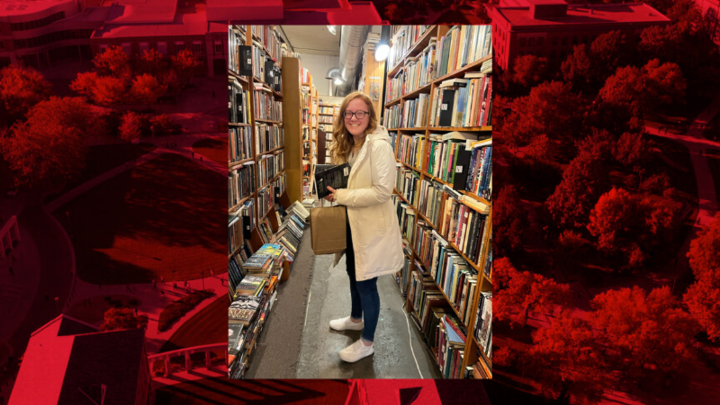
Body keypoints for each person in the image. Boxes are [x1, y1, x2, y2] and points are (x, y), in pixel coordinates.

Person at [323, 91, 404, 363]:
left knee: (367, 283)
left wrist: (342, 196)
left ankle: (367, 342)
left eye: (360, 113)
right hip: (353, 223)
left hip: (370, 229)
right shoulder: (353, 145)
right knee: (352, 272)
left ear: (370, 117)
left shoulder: (379, 146)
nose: (353, 118)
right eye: (348, 113)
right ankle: (356, 319)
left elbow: (382, 192)